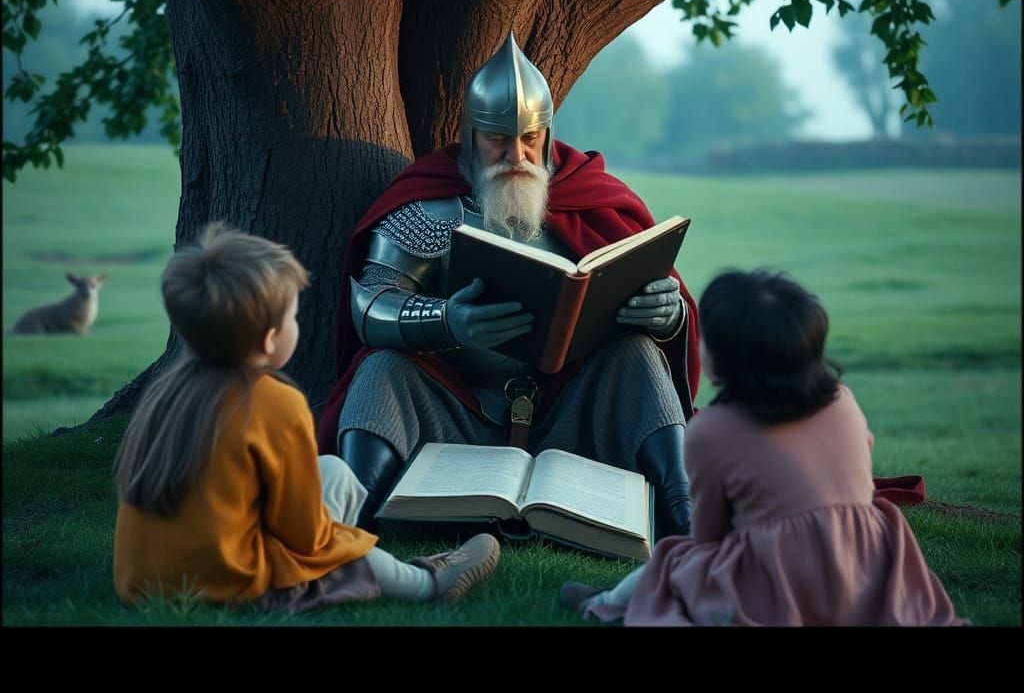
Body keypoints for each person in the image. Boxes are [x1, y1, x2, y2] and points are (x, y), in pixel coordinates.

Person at [316, 32, 700, 538]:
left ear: (547, 133)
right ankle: (349, 525)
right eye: (498, 138)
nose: (515, 154)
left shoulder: (593, 204)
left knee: (637, 354)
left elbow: (666, 300)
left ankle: (684, 518)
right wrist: (447, 320)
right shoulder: (430, 210)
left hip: (570, 419)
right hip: (456, 417)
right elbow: (369, 306)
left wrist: (666, 314)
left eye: (529, 138)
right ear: (471, 135)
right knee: (381, 369)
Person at [112, 224, 500, 613]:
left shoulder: (165, 394)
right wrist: (344, 545)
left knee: (334, 470)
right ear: (268, 338)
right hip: (237, 586)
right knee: (338, 548)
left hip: (142, 583)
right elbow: (306, 537)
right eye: (292, 316)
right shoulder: (274, 402)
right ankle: (427, 581)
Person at [559, 269, 966, 626]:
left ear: (725, 359)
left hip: (779, 577)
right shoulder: (842, 400)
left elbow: (708, 534)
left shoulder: (713, 430)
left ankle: (605, 603)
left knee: (674, 560)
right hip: (866, 563)